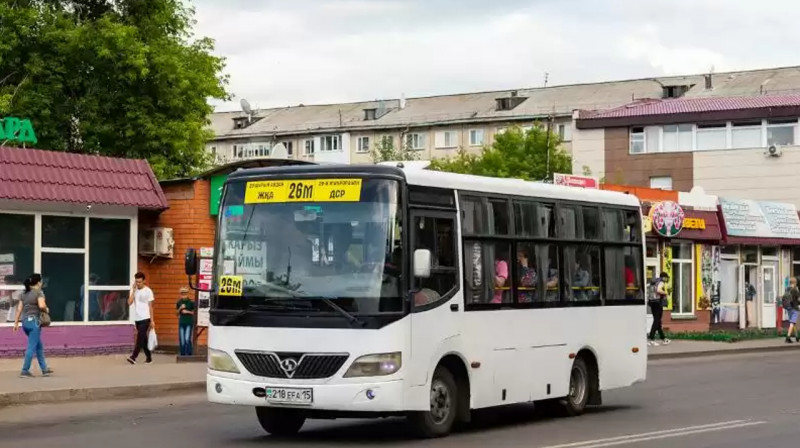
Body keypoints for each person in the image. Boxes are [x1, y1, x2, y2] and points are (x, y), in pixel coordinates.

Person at [13, 274, 53, 378]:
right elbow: (41, 305)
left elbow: (19, 309)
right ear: (38, 282)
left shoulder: (24, 293)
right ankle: (25, 370)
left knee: (39, 346)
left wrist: (16, 323)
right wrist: (46, 309)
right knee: (31, 347)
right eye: (41, 281)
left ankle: (44, 369)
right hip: (34, 323)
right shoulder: (39, 292)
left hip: (25, 323)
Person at [127, 272, 155, 365]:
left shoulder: (148, 291)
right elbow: (129, 302)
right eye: (136, 281)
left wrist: (152, 321)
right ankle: (149, 358)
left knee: (139, 339)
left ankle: (133, 357)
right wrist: (133, 290)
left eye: (139, 282)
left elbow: (151, 307)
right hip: (137, 319)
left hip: (146, 318)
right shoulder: (134, 291)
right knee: (144, 340)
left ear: (144, 281)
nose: (138, 283)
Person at [648, 272, 671, 346]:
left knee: (657, 321)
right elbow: (658, 290)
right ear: (663, 277)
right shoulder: (661, 282)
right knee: (656, 321)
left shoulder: (653, 282)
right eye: (666, 277)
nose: (666, 279)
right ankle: (651, 339)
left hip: (652, 302)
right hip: (658, 303)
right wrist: (665, 293)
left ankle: (663, 338)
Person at [176, 287, 196, 356]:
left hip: (189, 322)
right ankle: (183, 354)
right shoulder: (179, 302)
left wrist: (187, 311)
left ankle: (189, 354)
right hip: (181, 323)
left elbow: (194, 313)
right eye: (182, 293)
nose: (183, 295)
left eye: (185, 293)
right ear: (180, 294)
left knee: (187, 339)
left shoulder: (191, 302)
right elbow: (176, 314)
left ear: (187, 294)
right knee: (182, 340)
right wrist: (180, 308)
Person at [783, 277, 800, 343]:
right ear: (795, 282)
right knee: (792, 323)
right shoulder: (795, 290)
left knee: (793, 322)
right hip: (795, 308)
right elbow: (798, 299)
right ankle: (788, 337)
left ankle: (797, 336)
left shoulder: (787, 289)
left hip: (788, 308)